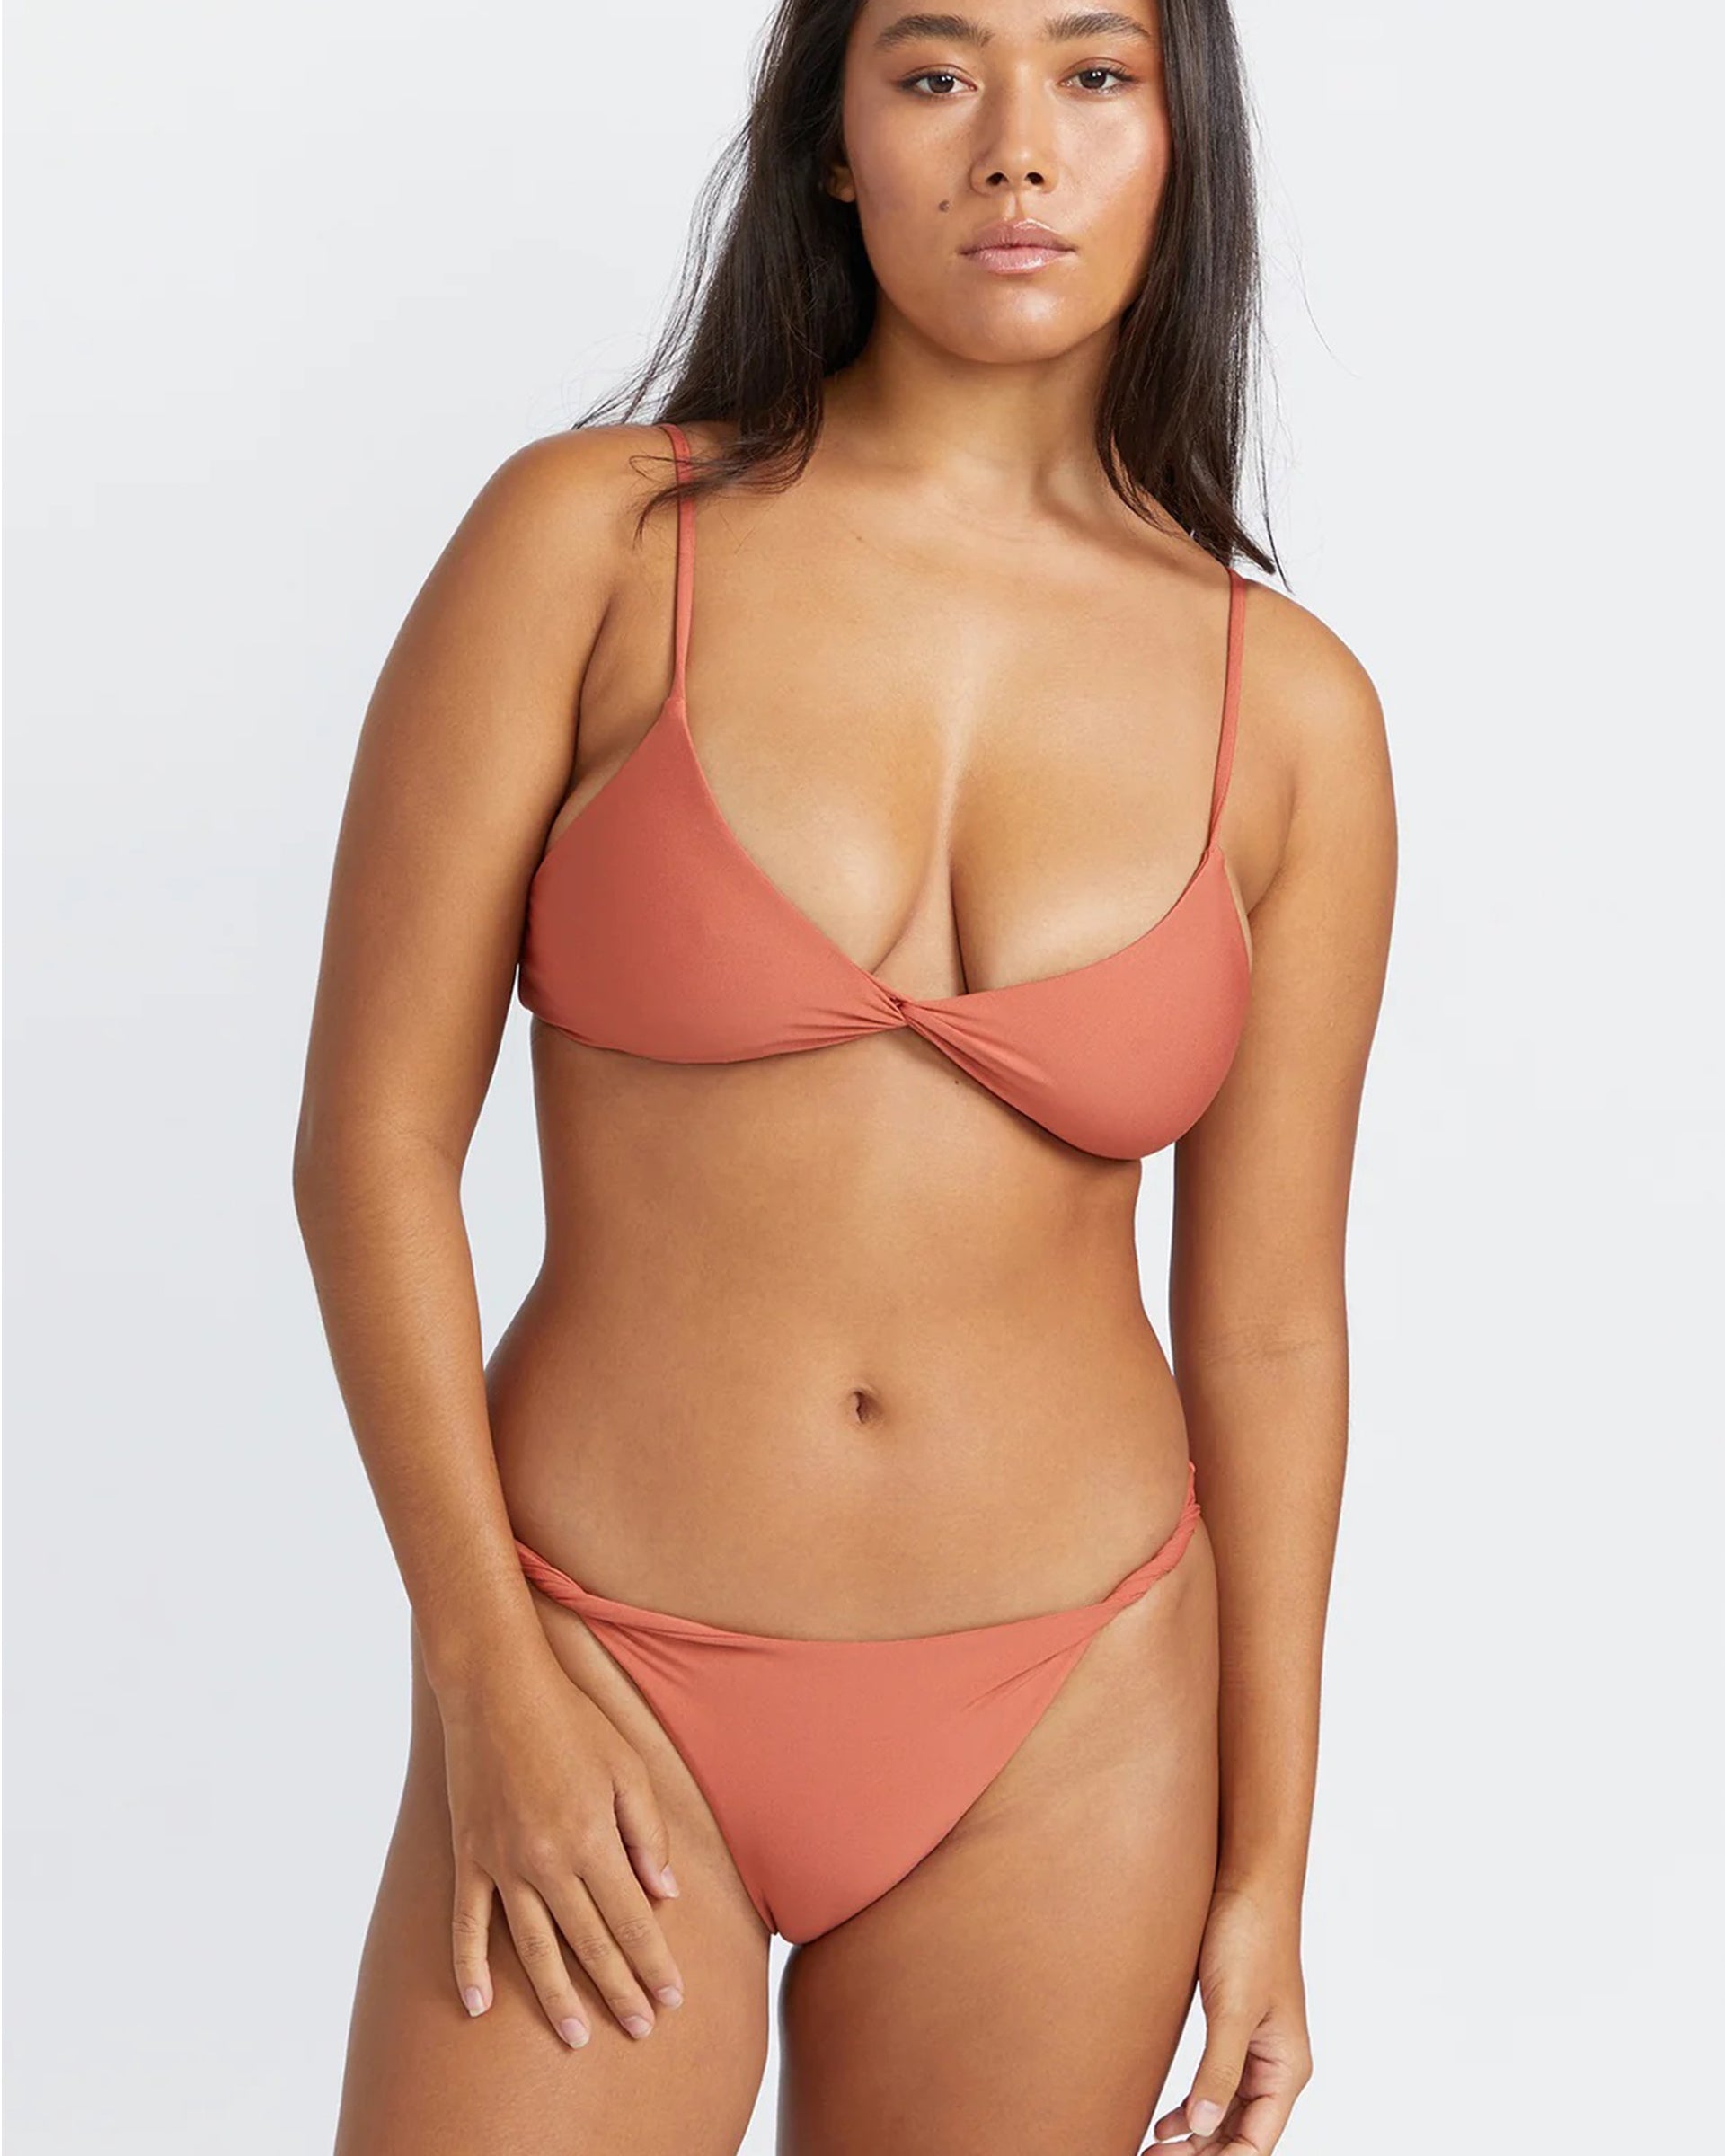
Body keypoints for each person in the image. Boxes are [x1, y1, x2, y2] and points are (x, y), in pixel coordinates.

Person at [292, 2, 1396, 2149]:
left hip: (1077, 1718)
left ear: (1180, 142)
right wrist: (483, 1668)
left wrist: (1268, 1865)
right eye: (933, 72)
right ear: (831, 141)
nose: (1017, 148)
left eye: (1096, 76)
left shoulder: (1293, 717)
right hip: (600, 1668)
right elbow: (373, 1143)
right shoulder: (596, 546)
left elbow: (1270, 1332)